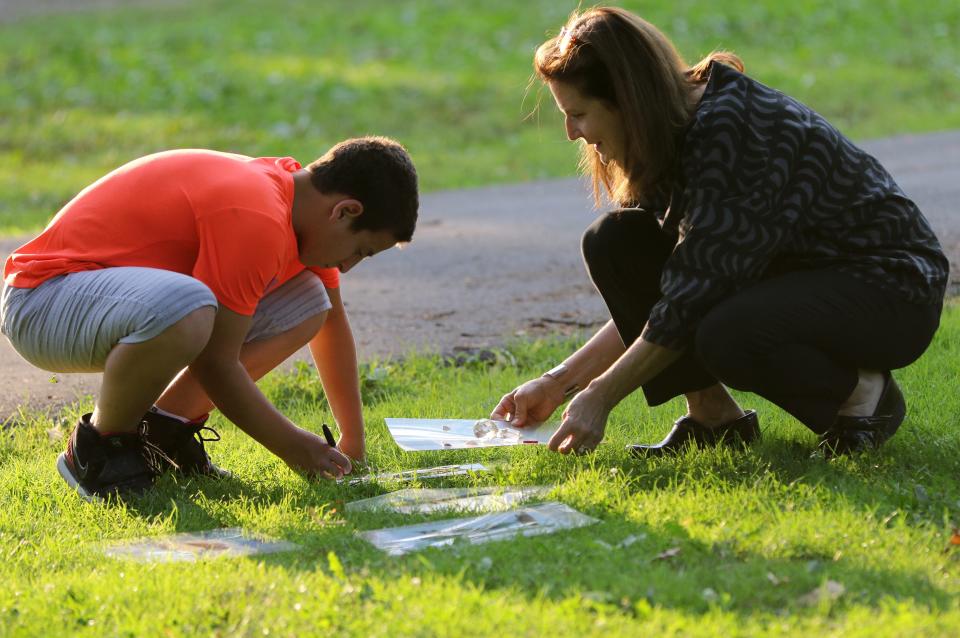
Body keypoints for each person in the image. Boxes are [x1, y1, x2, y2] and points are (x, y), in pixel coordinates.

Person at [492, 7, 948, 458]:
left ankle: (863, 397)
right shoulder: (669, 126)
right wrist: (555, 384)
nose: (572, 132)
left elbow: (691, 299)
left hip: (891, 286)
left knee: (726, 334)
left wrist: (600, 396)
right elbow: (674, 293)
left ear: (625, 100)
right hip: (798, 274)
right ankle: (714, 420)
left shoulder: (731, 132)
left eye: (579, 113)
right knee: (614, 240)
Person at [1, 136, 419, 500]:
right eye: (360, 252)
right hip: (42, 300)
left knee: (308, 302)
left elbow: (330, 326)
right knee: (192, 306)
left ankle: (164, 430)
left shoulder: (296, 206)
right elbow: (217, 363)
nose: (348, 267)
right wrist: (294, 446)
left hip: (104, 301)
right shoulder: (257, 214)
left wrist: (354, 440)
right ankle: (99, 447)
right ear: (344, 211)